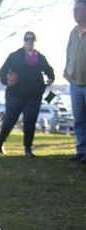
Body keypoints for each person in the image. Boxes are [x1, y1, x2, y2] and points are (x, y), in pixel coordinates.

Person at [0, 31, 55, 157]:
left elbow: (49, 71)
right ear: (23, 41)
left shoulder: (40, 57)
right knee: (10, 120)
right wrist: (6, 81)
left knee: (30, 122)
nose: (29, 41)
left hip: (34, 96)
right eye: (27, 39)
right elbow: (3, 71)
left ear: (35, 41)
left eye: (32, 39)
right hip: (15, 94)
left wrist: (51, 78)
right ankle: (0, 143)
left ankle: (28, 149)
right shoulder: (15, 55)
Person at [63, 0, 86, 163]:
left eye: (78, 9)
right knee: (79, 120)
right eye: (73, 9)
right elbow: (68, 53)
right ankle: (81, 151)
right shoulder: (72, 32)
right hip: (75, 84)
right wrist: (67, 70)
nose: (74, 12)